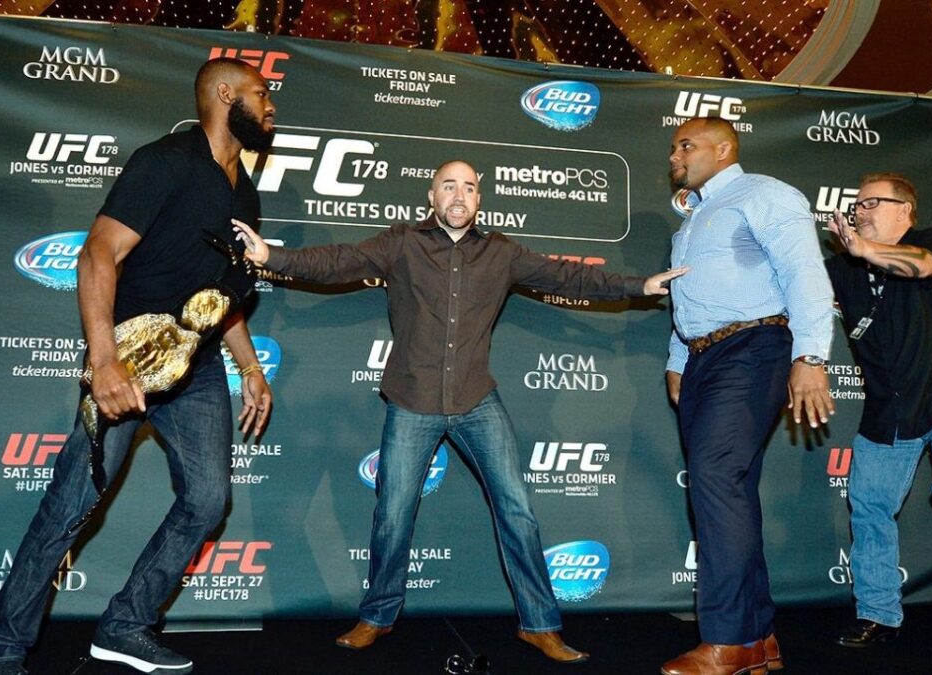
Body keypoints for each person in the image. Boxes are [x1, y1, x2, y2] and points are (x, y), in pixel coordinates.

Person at [233, 160, 686, 663]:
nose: (459, 194)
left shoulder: (501, 252)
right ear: (432, 196)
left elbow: (568, 276)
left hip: (476, 400)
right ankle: (377, 616)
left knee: (517, 510)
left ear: (479, 199)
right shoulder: (402, 243)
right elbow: (337, 261)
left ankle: (539, 625)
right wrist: (271, 255)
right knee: (392, 514)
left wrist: (639, 286)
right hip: (413, 400)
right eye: (448, 185)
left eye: (468, 187)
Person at [0, 58, 276, 675]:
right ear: (225, 94)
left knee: (207, 501)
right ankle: (3, 646)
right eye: (261, 93)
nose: (271, 106)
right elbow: (97, 255)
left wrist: (249, 368)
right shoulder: (163, 162)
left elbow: (219, 296)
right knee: (73, 502)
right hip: (128, 360)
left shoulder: (244, 192)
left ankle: (125, 626)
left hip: (195, 370)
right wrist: (104, 360)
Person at [662, 116, 835, 675]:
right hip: (703, 359)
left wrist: (810, 357)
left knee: (715, 478)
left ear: (723, 149)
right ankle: (758, 637)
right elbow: (686, 294)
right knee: (729, 489)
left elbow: (804, 271)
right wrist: (678, 359)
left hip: (754, 347)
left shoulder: (763, 193)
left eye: (686, 145)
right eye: (674, 148)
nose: (675, 156)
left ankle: (728, 640)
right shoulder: (690, 221)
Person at [825, 173, 932, 658]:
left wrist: (865, 249)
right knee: (869, 504)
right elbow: (795, 293)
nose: (860, 211)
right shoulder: (842, 267)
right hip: (891, 404)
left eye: (872, 203)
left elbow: (922, 266)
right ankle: (878, 614)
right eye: (857, 204)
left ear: (904, 210)